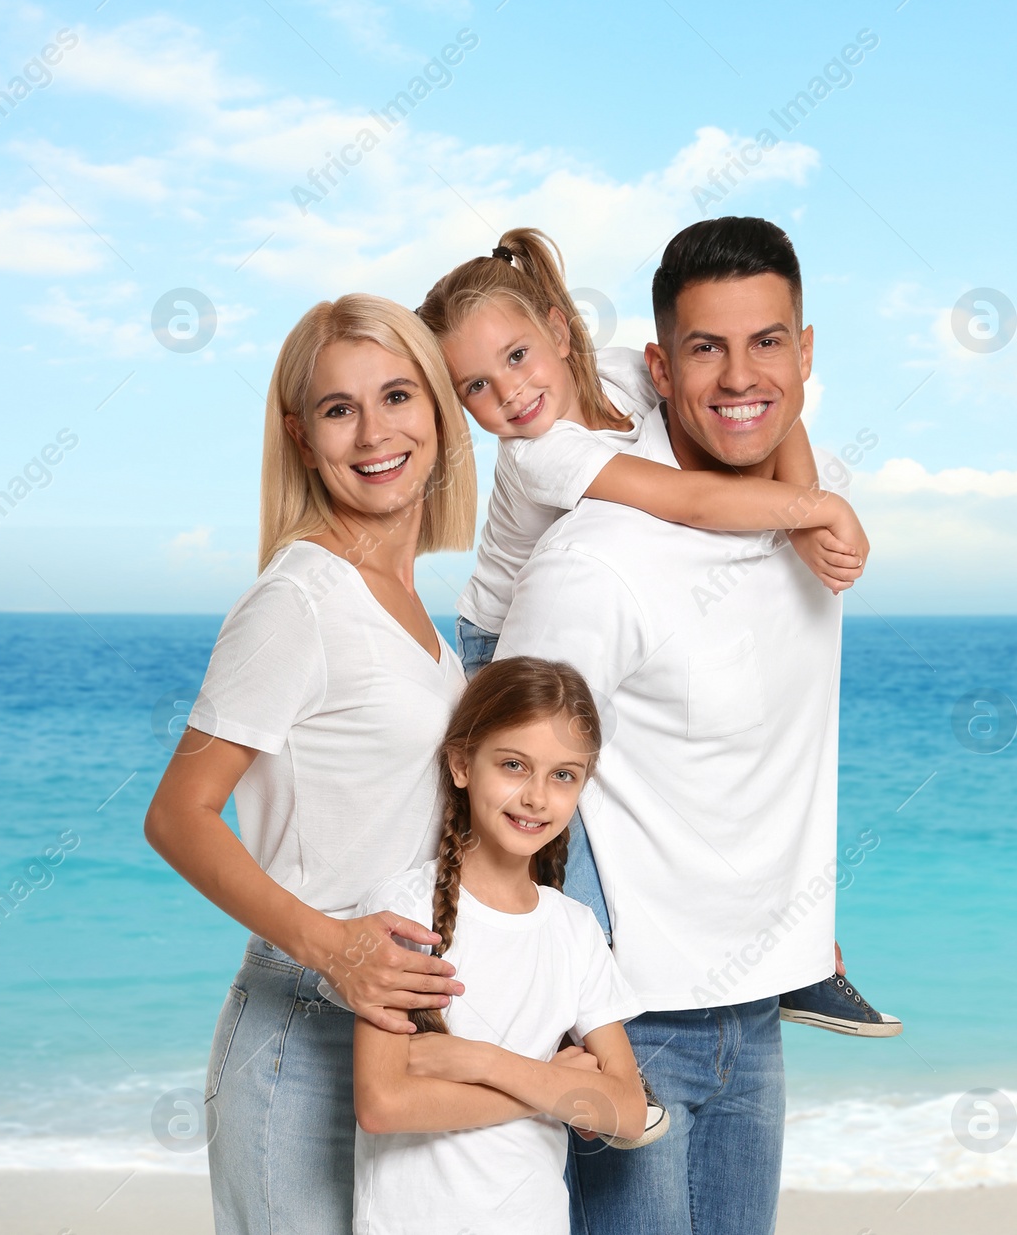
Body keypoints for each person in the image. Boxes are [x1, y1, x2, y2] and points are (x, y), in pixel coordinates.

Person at [417, 229, 899, 1043]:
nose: (510, 393)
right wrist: (812, 511)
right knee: (579, 856)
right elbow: (689, 501)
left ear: (560, 333)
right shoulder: (542, 453)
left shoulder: (629, 372)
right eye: (476, 385)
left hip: (582, 617)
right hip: (498, 642)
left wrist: (805, 498)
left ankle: (797, 957)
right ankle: (583, 1020)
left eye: (519, 356)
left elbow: (770, 412)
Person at [497, 216, 880, 1234]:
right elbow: (501, 791)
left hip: (754, 1007)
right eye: (706, 347)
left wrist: (796, 918)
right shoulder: (600, 558)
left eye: (768, 342)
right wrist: (555, 1005)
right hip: (627, 1020)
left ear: (806, 354)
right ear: (660, 368)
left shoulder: (816, 495)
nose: (739, 376)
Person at [144, 295, 478, 1235]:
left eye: (398, 395)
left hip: (394, 1038)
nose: (375, 432)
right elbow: (176, 814)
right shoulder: (299, 599)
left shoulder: (417, 612)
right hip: (300, 1033)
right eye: (340, 409)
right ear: (301, 435)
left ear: (440, 414)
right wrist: (334, 949)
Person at [352, 656, 649, 1235]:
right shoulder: (404, 911)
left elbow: (629, 1113)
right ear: (462, 764)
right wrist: (554, 1088)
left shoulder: (575, 928)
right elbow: (384, 1105)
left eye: (564, 775)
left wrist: (481, 1062)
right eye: (514, 765)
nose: (537, 797)